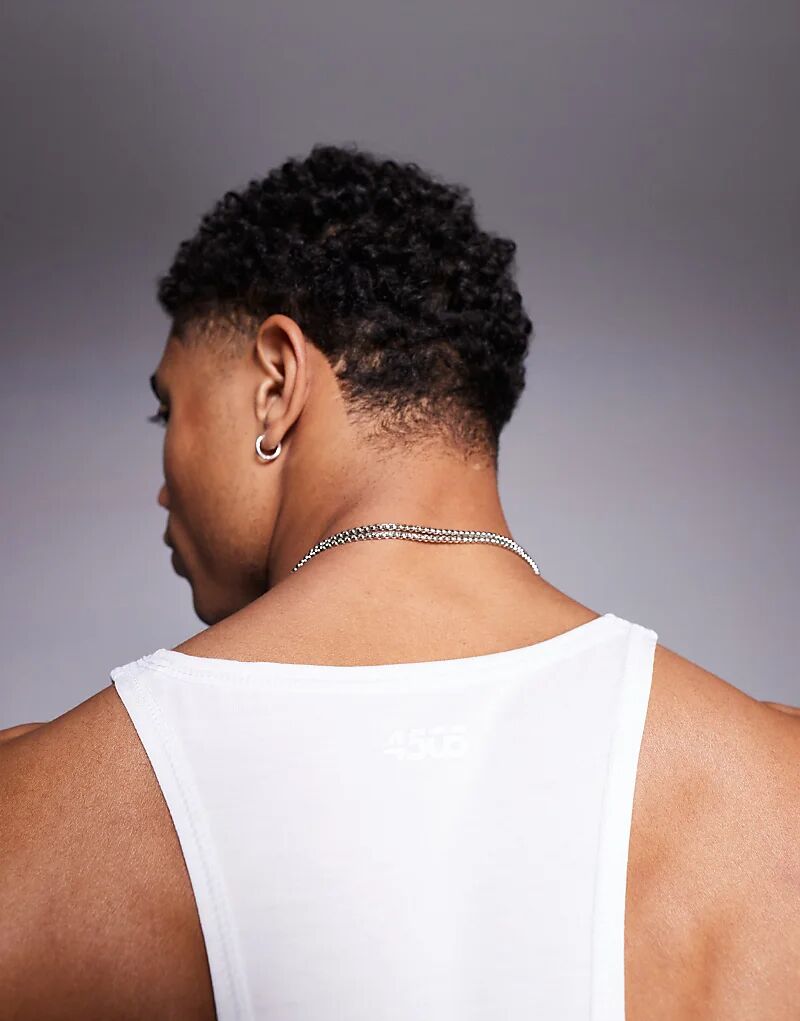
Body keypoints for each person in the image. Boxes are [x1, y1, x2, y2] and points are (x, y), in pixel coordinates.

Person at [0, 144, 797, 1021]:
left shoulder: (39, 809)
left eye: (169, 407)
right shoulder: (770, 789)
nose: (162, 483)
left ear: (276, 383)